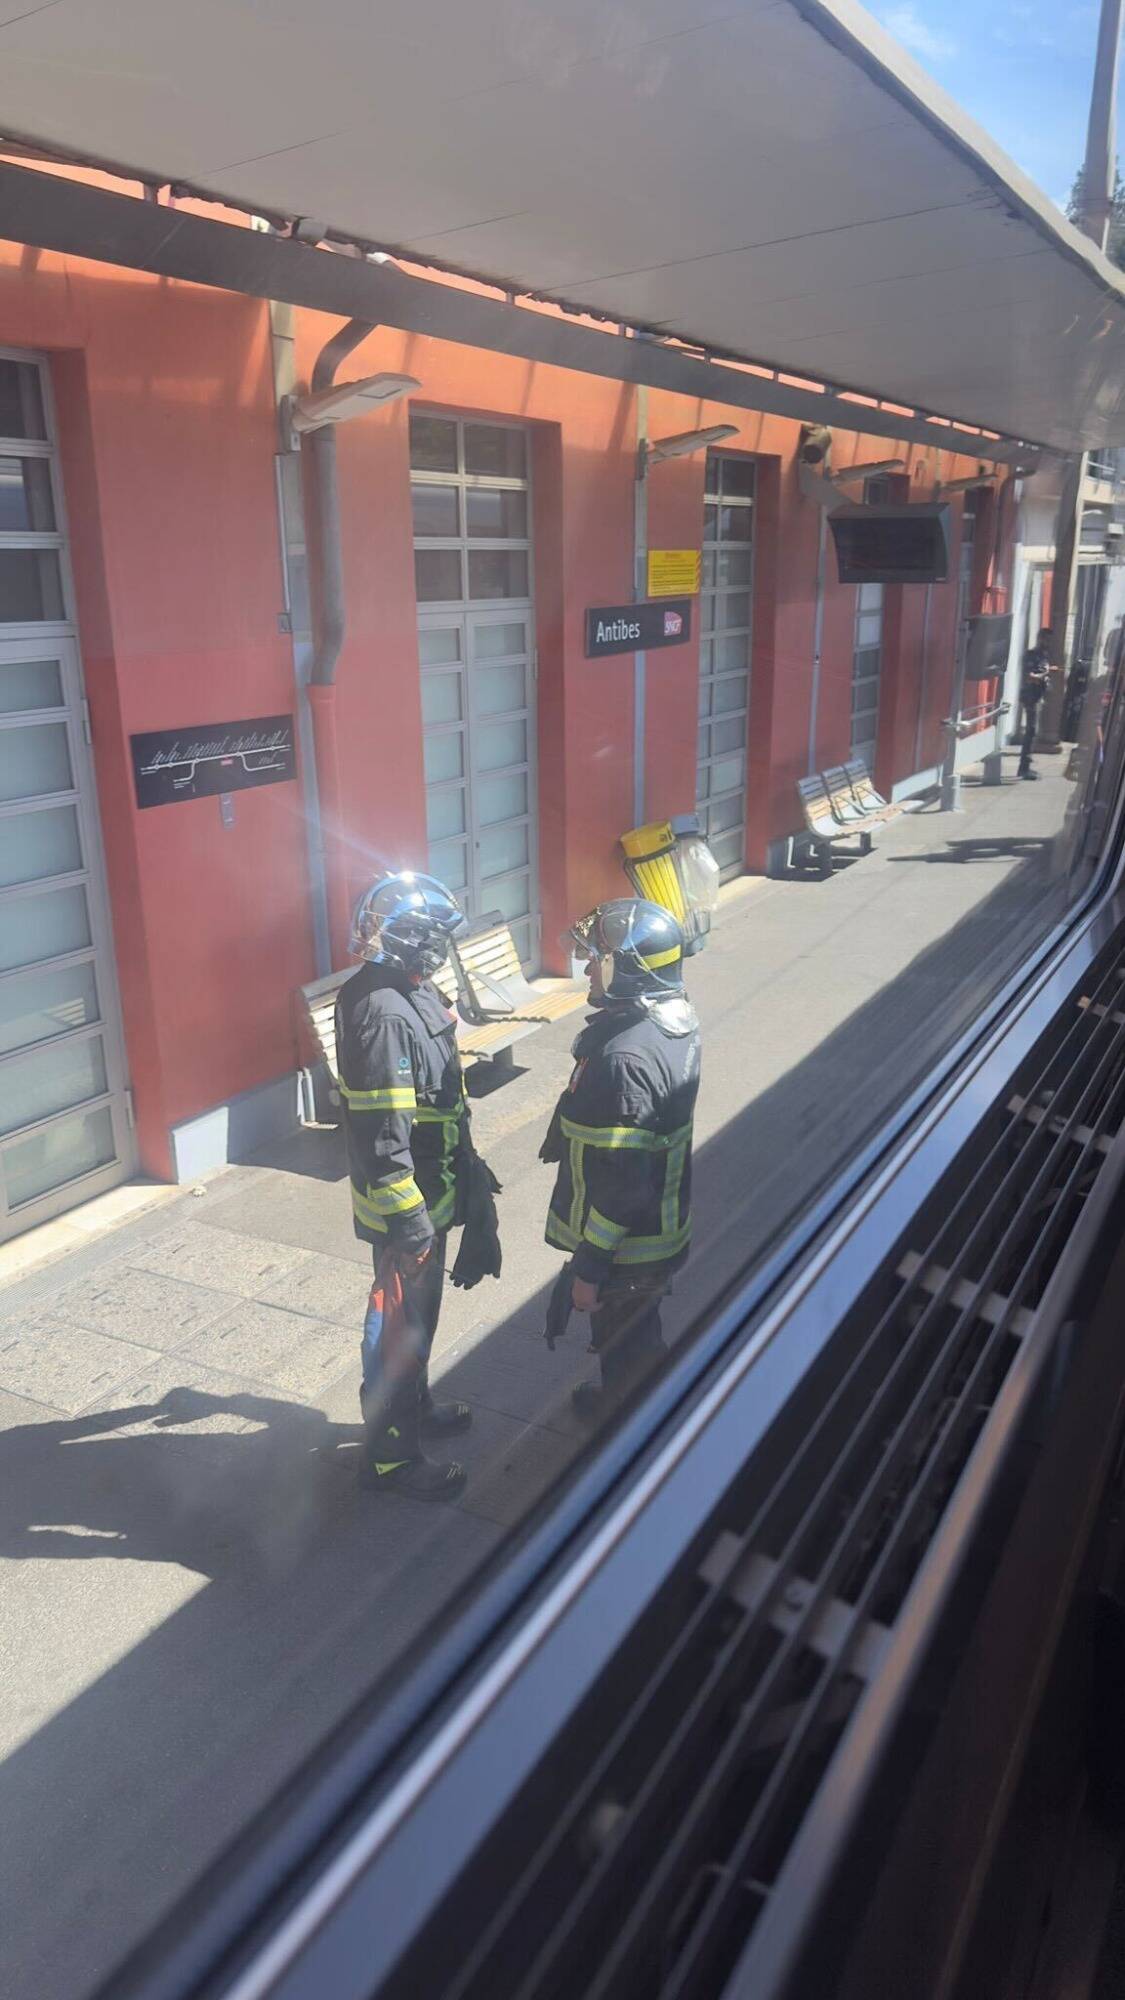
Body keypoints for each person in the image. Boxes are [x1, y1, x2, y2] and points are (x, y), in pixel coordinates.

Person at [336, 871, 478, 1501]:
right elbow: (382, 1137)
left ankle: (414, 1407)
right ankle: (390, 1458)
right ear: (410, 940)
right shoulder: (383, 1013)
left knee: (419, 1325)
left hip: (433, 1190)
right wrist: (411, 1223)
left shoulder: (405, 987)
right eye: (434, 939)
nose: (441, 951)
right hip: (409, 1205)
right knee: (399, 1331)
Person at [540, 898, 701, 1418]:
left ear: (626, 970)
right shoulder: (668, 1021)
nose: (587, 967)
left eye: (598, 959)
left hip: (631, 1251)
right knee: (636, 1335)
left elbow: (625, 1186)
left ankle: (632, 1440)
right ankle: (627, 1402)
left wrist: (590, 1267)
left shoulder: (625, 1058)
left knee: (628, 1348)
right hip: (659, 1231)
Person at [1018, 626, 1053, 779]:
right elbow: (1030, 676)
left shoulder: (1044, 656)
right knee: (1030, 731)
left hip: (1038, 696)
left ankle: (1026, 765)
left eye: (1049, 640)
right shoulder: (1031, 655)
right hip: (1030, 696)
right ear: (1040, 638)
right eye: (1046, 639)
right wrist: (1045, 673)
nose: (1048, 642)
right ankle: (1024, 768)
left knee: (1033, 731)